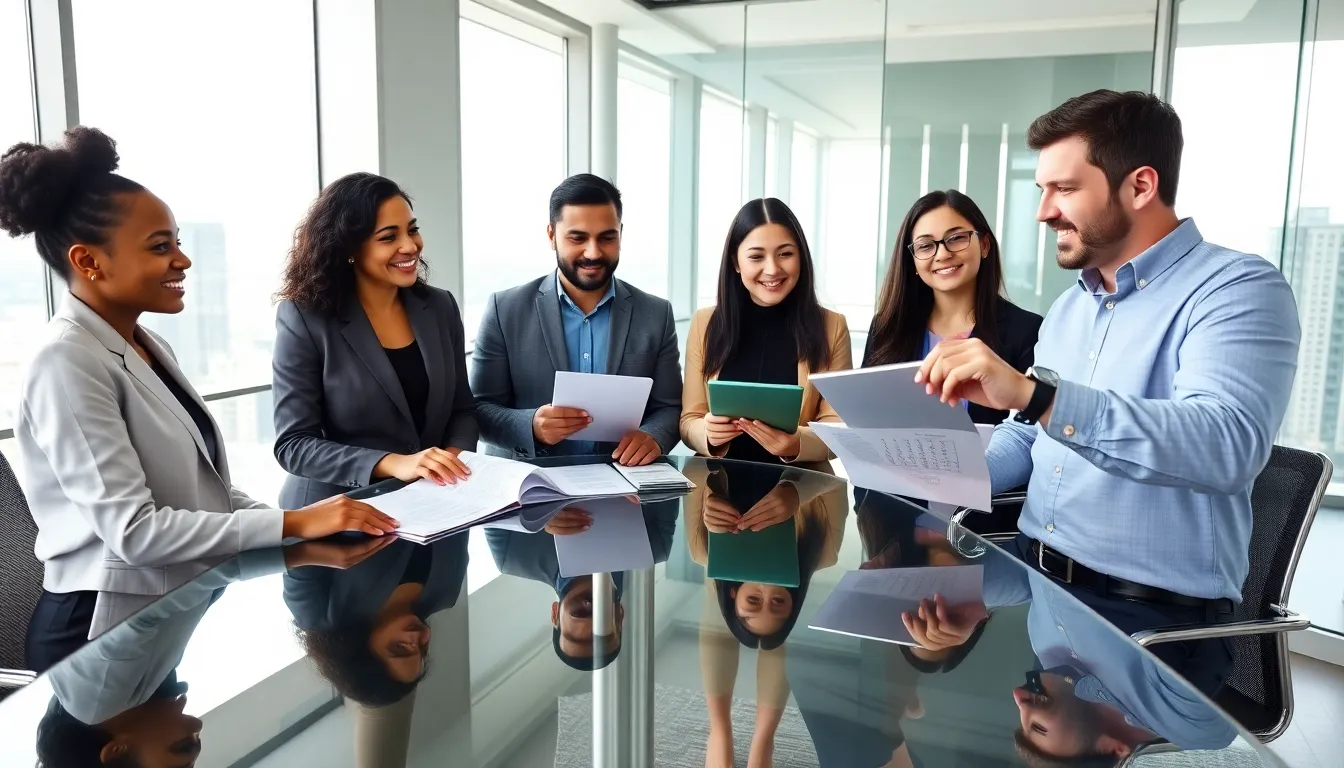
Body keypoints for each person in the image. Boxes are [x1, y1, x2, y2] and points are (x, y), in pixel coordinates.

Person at [0, 128, 398, 672]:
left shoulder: (146, 345)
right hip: (95, 632)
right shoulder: (65, 362)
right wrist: (296, 526)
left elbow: (204, 491)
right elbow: (136, 532)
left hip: (163, 609)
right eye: (160, 247)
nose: (183, 260)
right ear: (89, 261)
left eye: (178, 242)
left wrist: (300, 525)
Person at [914, 90, 1300, 643]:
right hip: (1036, 586)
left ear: (1140, 186)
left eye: (1065, 189)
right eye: (1043, 190)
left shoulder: (1236, 289)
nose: (1044, 211)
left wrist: (1035, 396)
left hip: (1152, 624)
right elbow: (1029, 435)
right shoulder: (1070, 308)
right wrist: (949, 472)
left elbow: (1226, 445)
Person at [272, 172, 478, 509]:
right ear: (349, 248)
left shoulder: (440, 306)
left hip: (436, 507)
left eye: (412, 229)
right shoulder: (304, 317)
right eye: (388, 237)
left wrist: (451, 461)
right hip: (338, 515)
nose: (410, 246)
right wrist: (394, 463)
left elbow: (462, 409)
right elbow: (294, 445)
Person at [470, 174, 682, 465]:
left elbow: (669, 407)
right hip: (529, 481)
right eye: (578, 238)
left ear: (621, 234)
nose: (593, 252)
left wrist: (653, 436)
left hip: (623, 481)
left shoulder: (656, 314)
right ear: (551, 236)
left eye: (607, 237)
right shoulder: (504, 310)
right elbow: (478, 409)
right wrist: (530, 426)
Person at [682, 198, 852, 463]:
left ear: (801, 257)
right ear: (736, 262)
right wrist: (707, 432)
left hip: (800, 483)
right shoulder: (705, 323)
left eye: (785, 254)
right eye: (756, 257)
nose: (772, 269)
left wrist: (797, 443)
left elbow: (839, 427)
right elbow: (689, 419)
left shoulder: (832, 327)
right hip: (717, 483)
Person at [865, 189, 1042, 426]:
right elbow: (867, 415)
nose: (942, 254)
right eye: (925, 246)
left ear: (984, 245)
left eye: (956, 238)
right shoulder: (886, 328)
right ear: (913, 261)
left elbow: (1034, 430)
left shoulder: (1027, 330)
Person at [484, 496, 678, 671]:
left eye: (580, 613)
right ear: (620, 615)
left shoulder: (513, 555)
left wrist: (533, 515)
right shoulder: (653, 547)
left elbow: (485, 490)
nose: (589, 605)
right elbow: (667, 477)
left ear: (555, 615)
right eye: (600, 622)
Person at [285, 532, 469, 707]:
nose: (419, 636)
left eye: (399, 647)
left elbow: (298, 526)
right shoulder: (446, 592)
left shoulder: (318, 615)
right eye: (422, 648)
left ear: (360, 651)